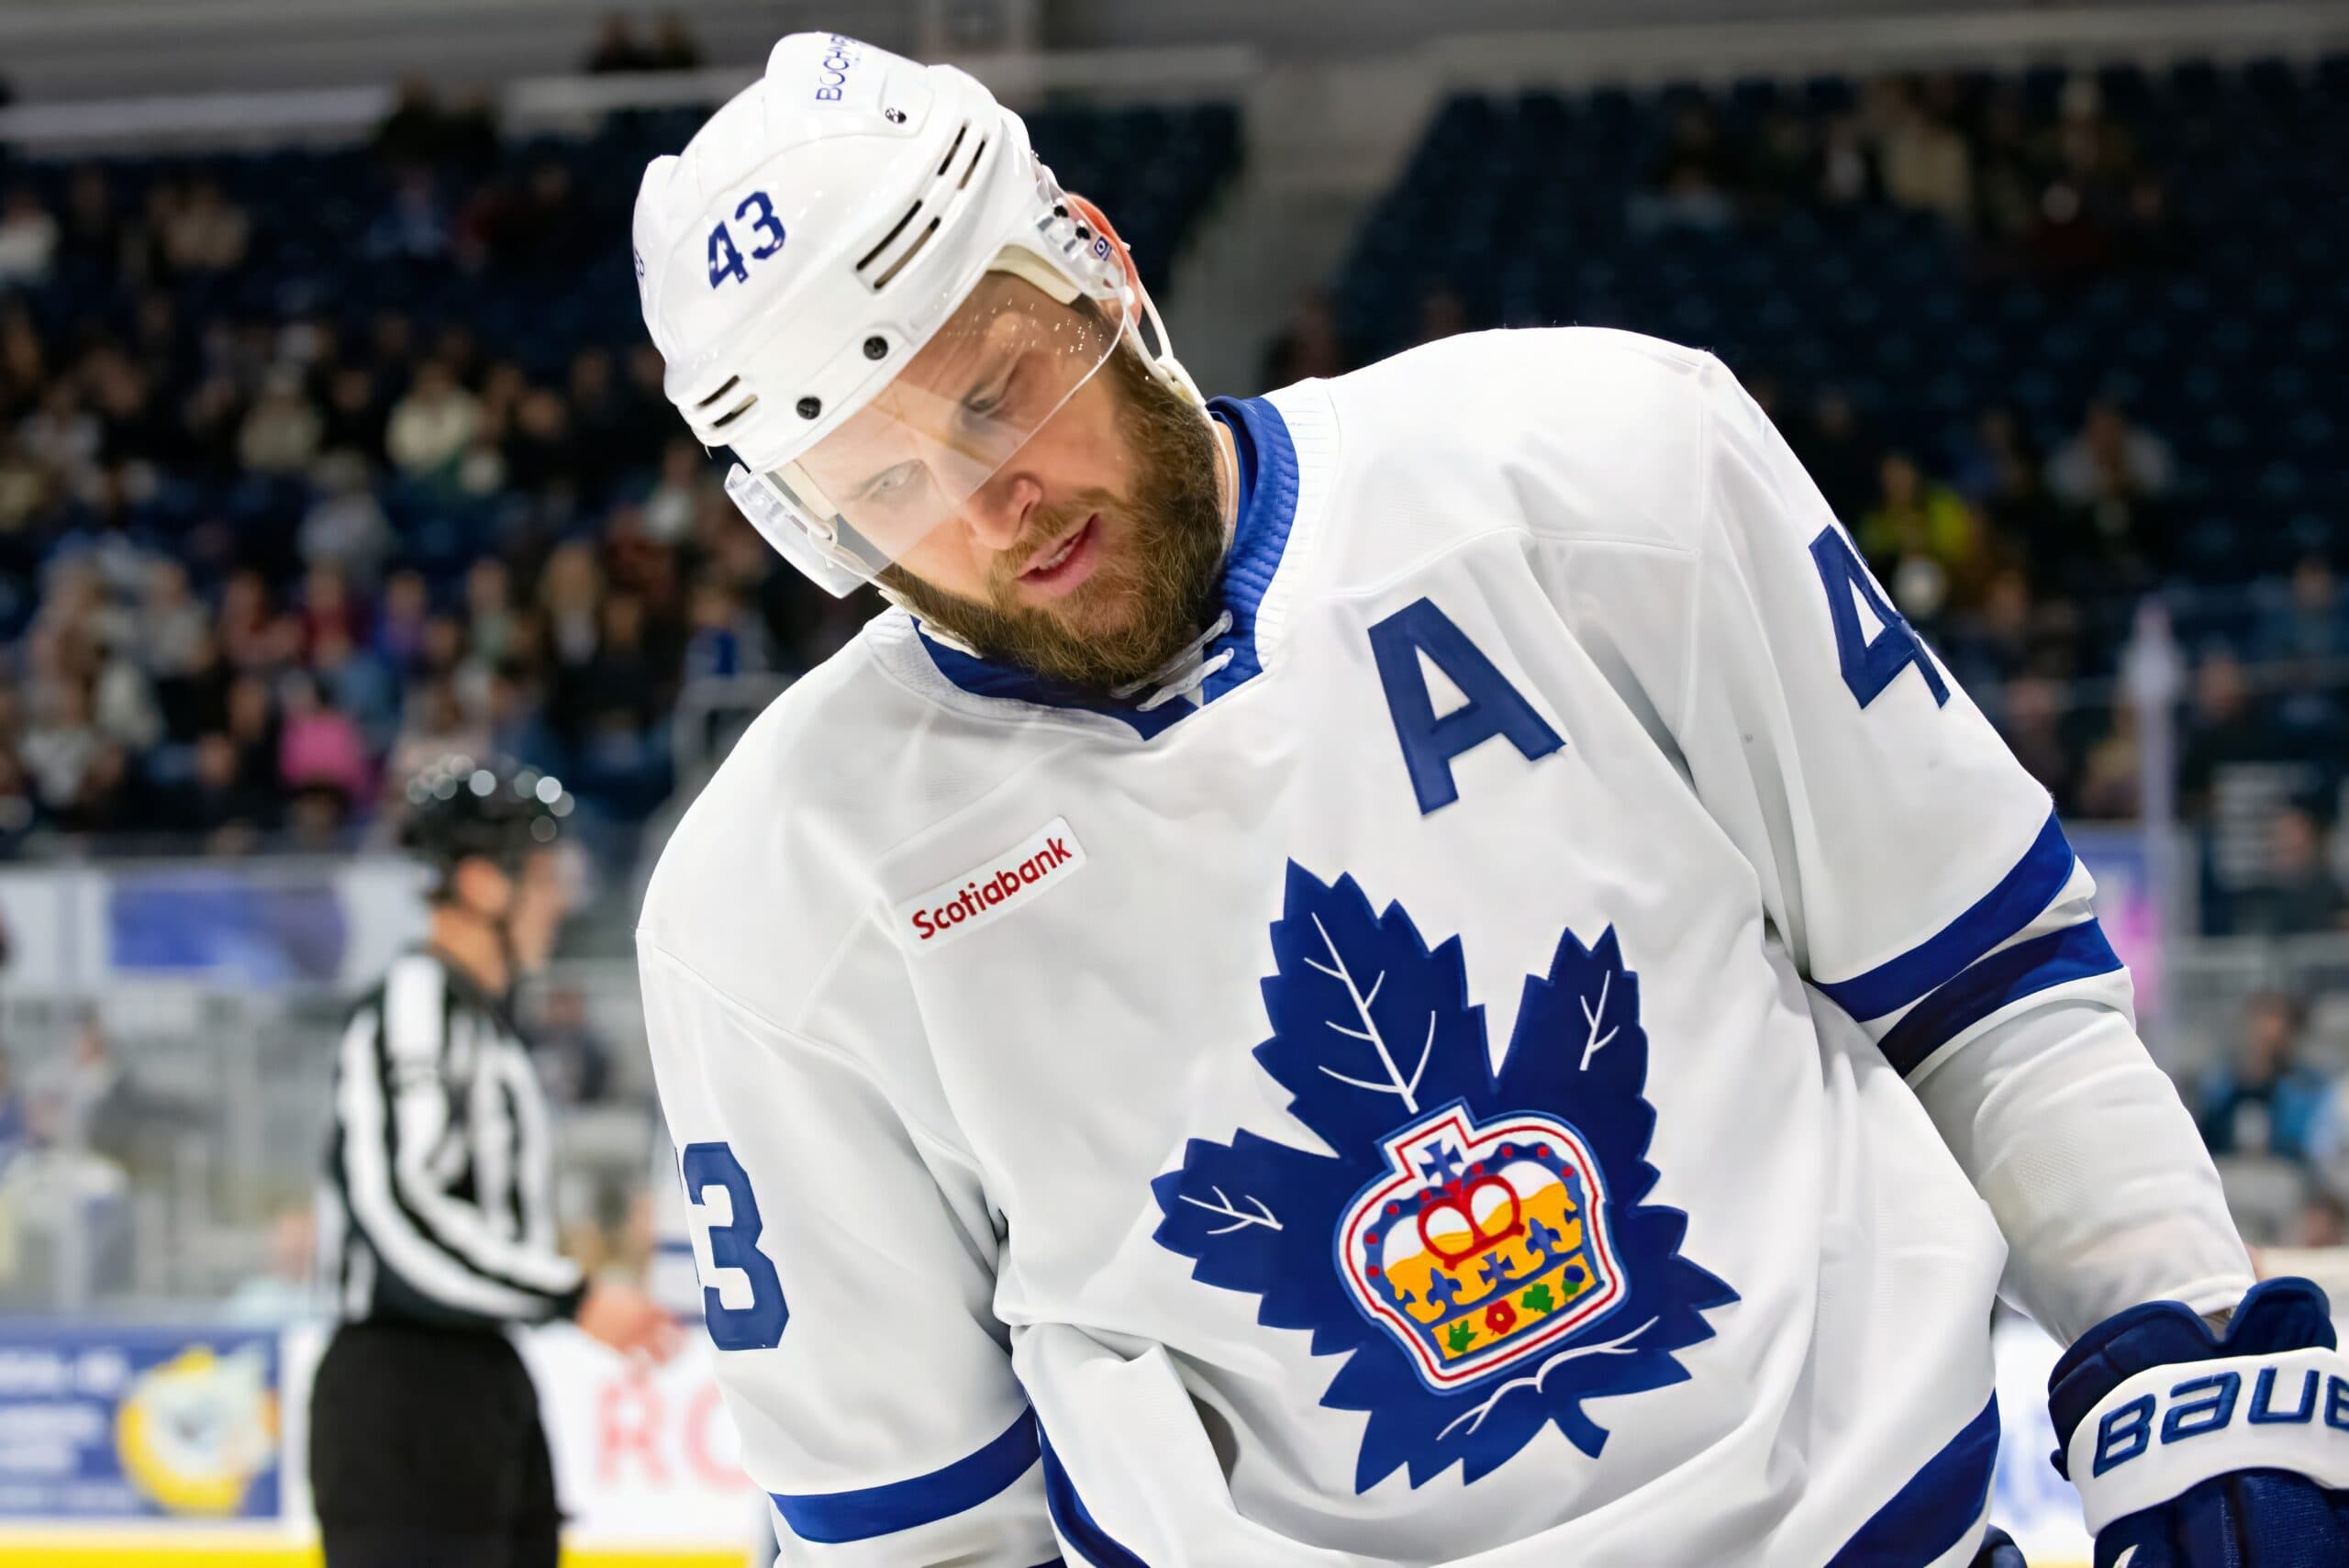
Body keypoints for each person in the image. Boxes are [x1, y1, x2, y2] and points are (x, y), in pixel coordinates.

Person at [629, 34, 2333, 1568]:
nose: (987, 501)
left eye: (996, 386)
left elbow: (1981, 980)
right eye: (885, 483)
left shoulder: (1602, 463)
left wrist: (2172, 1342)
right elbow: (916, 1531)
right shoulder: (771, 909)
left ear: (1102, 272)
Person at [312, 754, 676, 1568]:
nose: (560, 899)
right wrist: (571, 1294)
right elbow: (401, 1211)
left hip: (477, 1381)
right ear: (481, 883)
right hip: (402, 1395)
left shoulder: (481, 1024)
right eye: (544, 875)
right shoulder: (415, 1006)